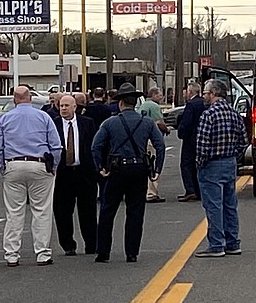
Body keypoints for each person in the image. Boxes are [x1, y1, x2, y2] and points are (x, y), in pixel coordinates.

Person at [92, 82, 165, 263]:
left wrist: (100, 167)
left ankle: (103, 251)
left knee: (108, 211)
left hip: (117, 169)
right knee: (135, 212)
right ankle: (131, 253)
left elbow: (96, 146)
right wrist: (157, 169)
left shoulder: (110, 123)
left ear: (120, 103)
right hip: (139, 169)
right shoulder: (146, 122)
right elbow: (160, 145)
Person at [0, 86, 63, 267]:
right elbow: (55, 145)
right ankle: (42, 253)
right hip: (39, 164)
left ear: (15, 99)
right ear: (30, 98)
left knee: (14, 212)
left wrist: (2, 167)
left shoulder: (5, 118)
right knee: (41, 210)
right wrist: (53, 165)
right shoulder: (43, 117)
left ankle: (11, 254)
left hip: (13, 164)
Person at [194, 79, 249, 258]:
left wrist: (200, 163)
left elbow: (201, 145)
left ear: (213, 94)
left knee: (213, 206)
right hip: (230, 162)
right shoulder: (234, 114)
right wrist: (235, 156)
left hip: (212, 164)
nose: (204, 96)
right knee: (230, 204)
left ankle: (217, 244)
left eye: (205, 93)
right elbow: (244, 140)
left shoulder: (208, 115)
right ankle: (233, 243)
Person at [53, 95, 98, 256]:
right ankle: (68, 245)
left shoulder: (87, 123)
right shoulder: (54, 124)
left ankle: (91, 244)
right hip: (63, 173)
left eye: (66, 106)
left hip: (84, 172)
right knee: (63, 211)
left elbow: (95, 145)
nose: (63, 108)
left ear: (74, 107)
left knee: (88, 211)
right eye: (61, 106)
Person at [140, 87, 171, 203]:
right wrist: (167, 129)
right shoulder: (154, 106)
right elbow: (159, 122)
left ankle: (144, 191)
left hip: (142, 139)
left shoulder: (144, 105)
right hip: (151, 139)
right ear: (153, 95)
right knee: (152, 166)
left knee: (145, 165)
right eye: (159, 95)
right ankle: (151, 193)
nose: (161, 97)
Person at [177, 83, 205, 202]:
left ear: (190, 92)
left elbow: (186, 121)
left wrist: (181, 132)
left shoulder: (191, 105)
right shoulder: (205, 103)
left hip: (190, 139)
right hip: (202, 138)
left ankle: (190, 190)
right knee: (197, 165)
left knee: (186, 164)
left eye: (186, 91)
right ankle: (198, 190)